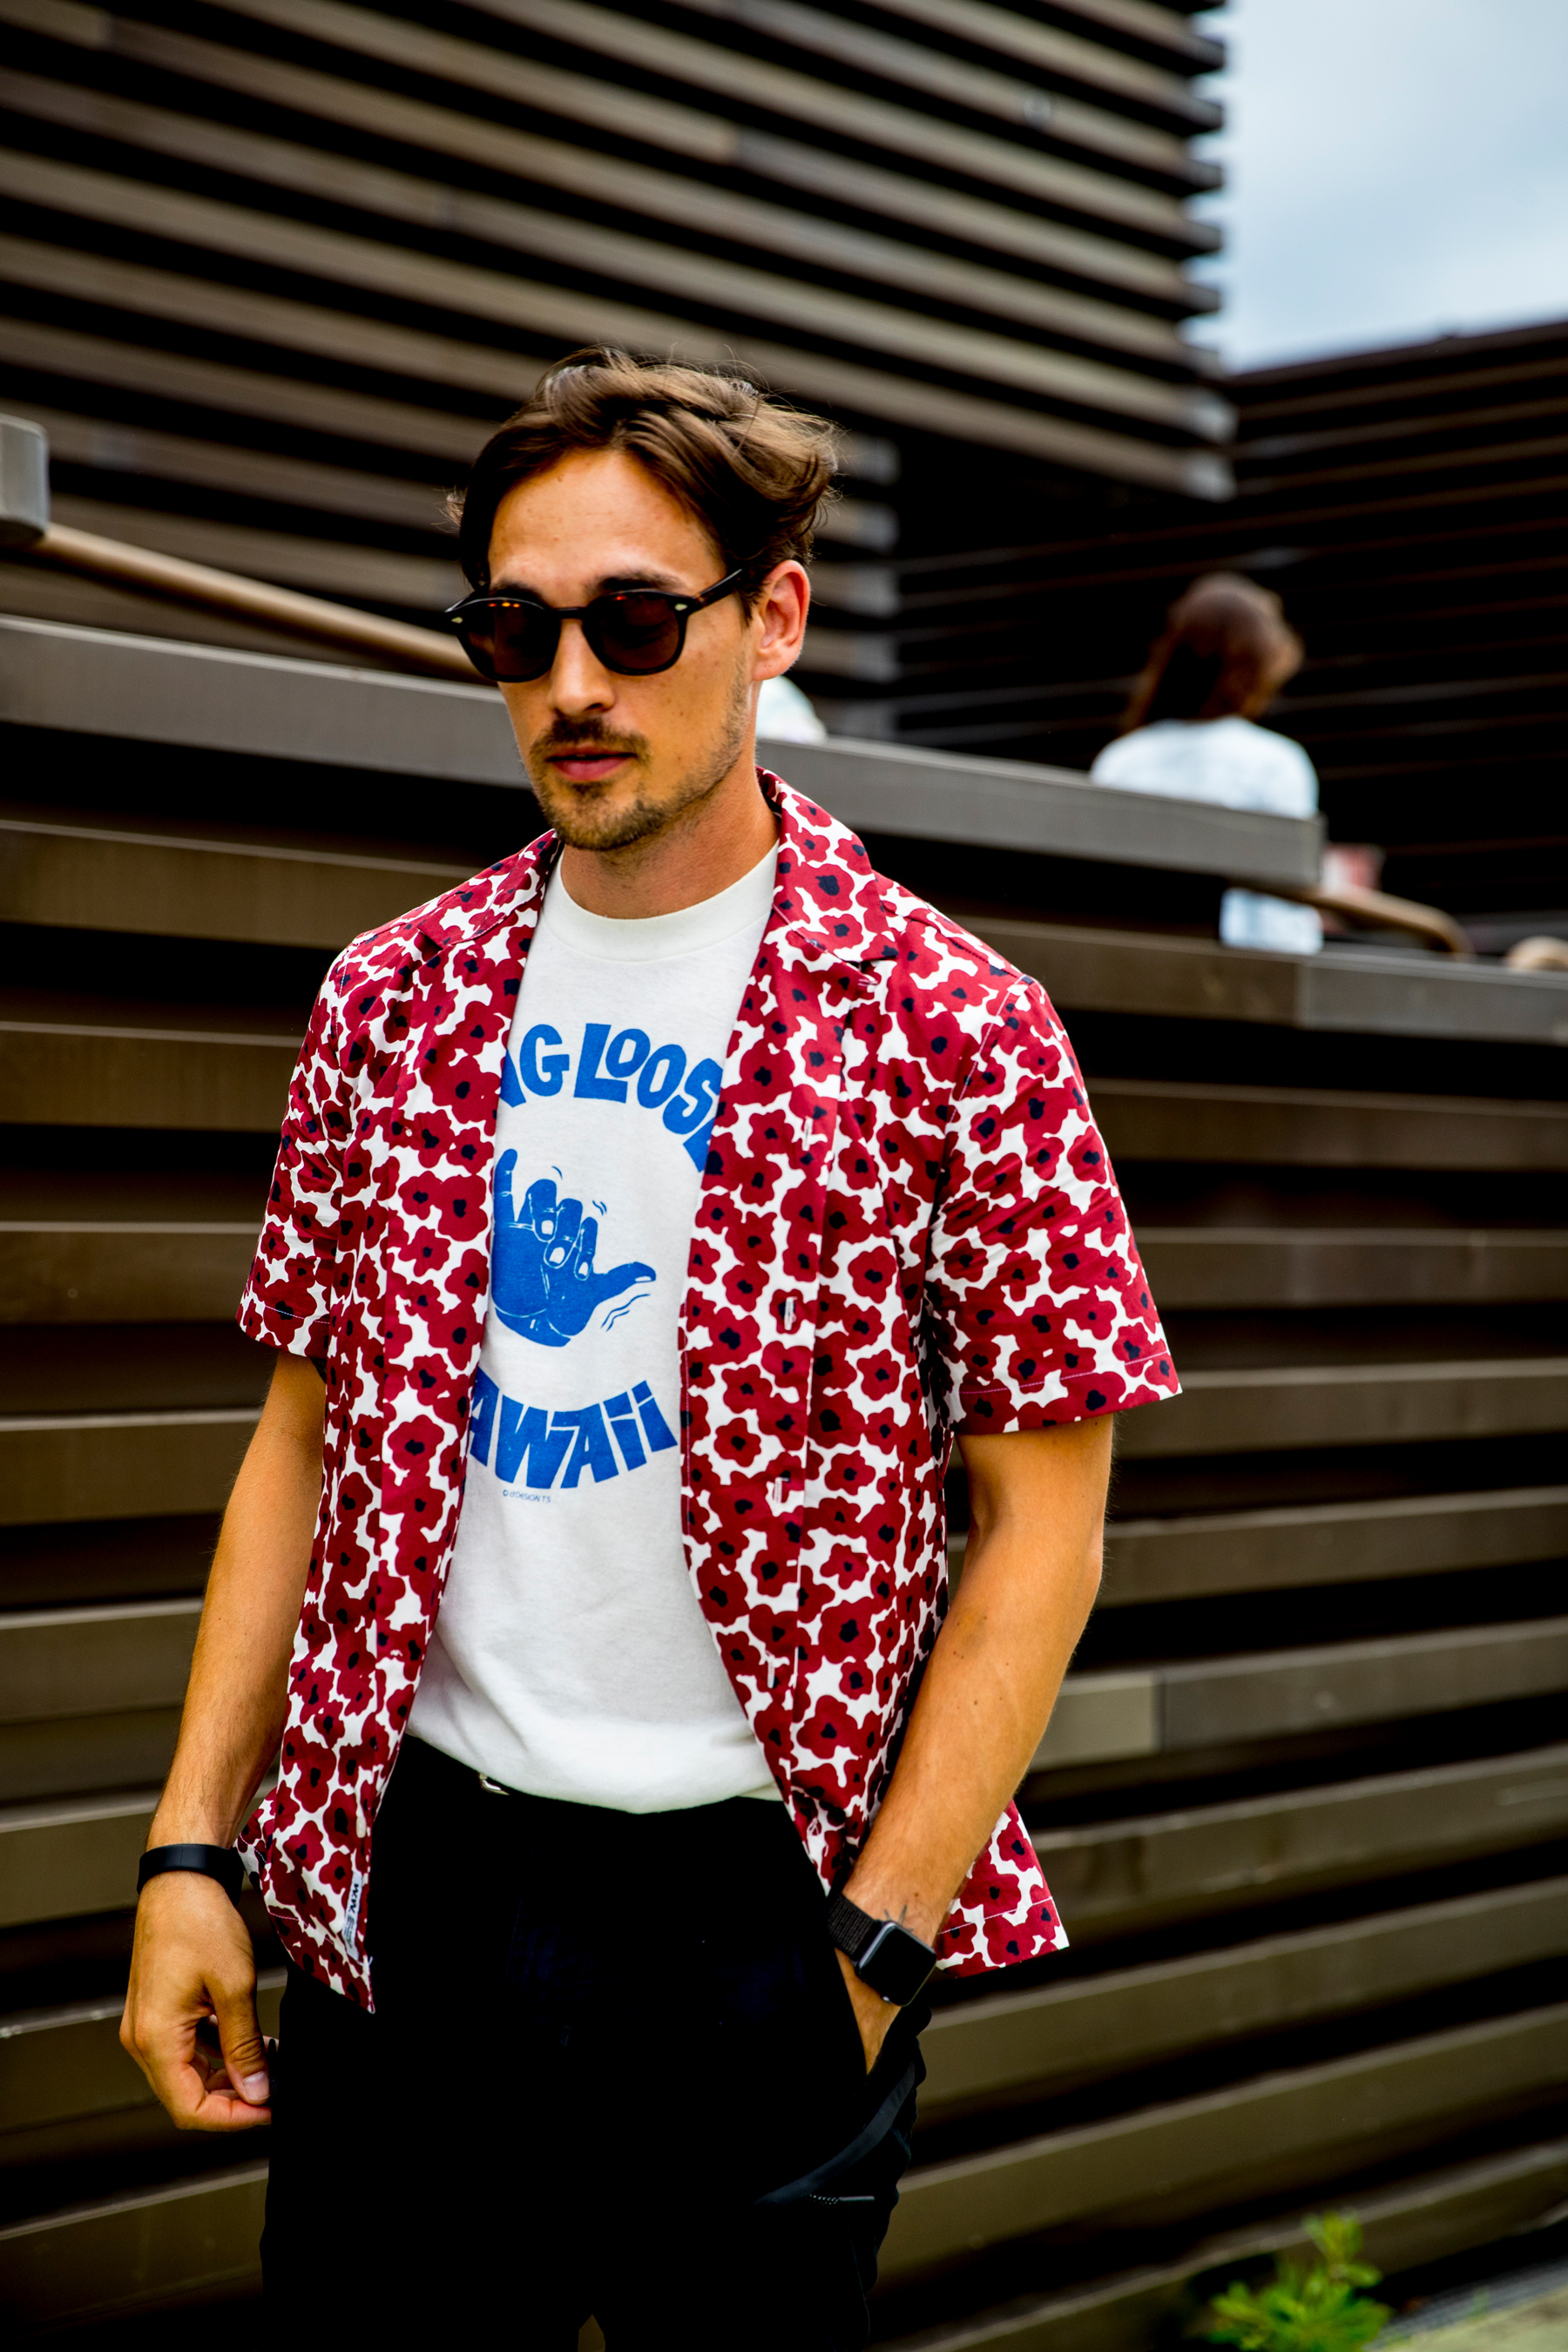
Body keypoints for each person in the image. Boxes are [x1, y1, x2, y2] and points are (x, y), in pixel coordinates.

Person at [120, 349, 1177, 2347]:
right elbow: (302, 1436)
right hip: (412, 1880)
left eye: (630, 619)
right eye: (514, 631)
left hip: (761, 1912)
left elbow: (1045, 1524)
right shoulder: (392, 999)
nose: (572, 685)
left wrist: (872, 1940)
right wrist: (195, 1845)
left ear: (773, 616)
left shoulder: (957, 1026)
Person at [1092, 572, 1322, 955]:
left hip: (1132, 959)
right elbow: (1282, 916)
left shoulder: (1121, 759)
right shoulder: (1275, 762)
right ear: (1258, 667)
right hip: (1238, 970)